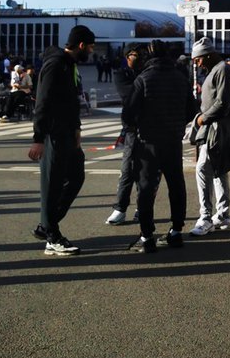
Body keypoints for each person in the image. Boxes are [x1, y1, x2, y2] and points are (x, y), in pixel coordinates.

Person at [122, 40, 195, 252]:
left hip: (148, 141)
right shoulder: (180, 78)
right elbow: (191, 109)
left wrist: (138, 124)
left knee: (145, 187)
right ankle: (176, 231)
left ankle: (147, 236)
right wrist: (178, 123)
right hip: (173, 139)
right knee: (176, 184)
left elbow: (128, 113)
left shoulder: (143, 79)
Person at [29, 25, 96, 256]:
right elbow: (42, 102)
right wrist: (38, 138)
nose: (91, 50)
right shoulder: (55, 65)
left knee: (77, 176)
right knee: (52, 185)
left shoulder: (70, 66)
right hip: (53, 134)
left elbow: (72, 100)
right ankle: (52, 236)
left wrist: (77, 127)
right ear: (80, 45)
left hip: (68, 133)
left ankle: (47, 226)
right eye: (90, 46)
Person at [187, 37, 230, 236]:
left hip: (215, 127)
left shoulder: (222, 69)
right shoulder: (216, 69)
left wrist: (203, 118)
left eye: (198, 59)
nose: (197, 63)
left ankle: (206, 217)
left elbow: (221, 102)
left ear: (208, 55)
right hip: (214, 126)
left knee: (203, 168)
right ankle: (222, 215)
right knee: (219, 170)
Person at [106, 45, 145, 225]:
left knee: (147, 171)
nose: (139, 58)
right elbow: (129, 94)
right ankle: (120, 208)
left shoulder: (146, 71)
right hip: (132, 127)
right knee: (127, 168)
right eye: (136, 55)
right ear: (128, 56)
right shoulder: (121, 74)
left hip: (149, 124)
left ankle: (142, 207)